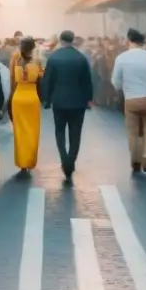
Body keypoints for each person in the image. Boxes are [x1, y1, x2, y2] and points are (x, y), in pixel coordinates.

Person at [41, 29, 94, 180]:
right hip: (78, 102)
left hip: (59, 101)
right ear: (73, 40)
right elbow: (87, 81)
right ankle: (71, 161)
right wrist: (89, 98)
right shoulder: (81, 58)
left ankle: (64, 159)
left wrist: (47, 99)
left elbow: (48, 80)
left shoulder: (54, 57)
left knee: (59, 132)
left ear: (60, 40)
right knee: (75, 134)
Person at [112, 28, 146, 173]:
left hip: (131, 99)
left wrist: (123, 89)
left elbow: (115, 81)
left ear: (129, 40)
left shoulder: (121, 58)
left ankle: (135, 160)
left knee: (133, 131)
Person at [10, 36, 42, 175]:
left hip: (18, 97)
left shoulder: (15, 60)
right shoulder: (38, 62)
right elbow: (41, 79)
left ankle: (21, 162)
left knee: (19, 131)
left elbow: (12, 80)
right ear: (33, 47)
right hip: (32, 97)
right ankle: (29, 160)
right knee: (32, 132)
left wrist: (10, 98)